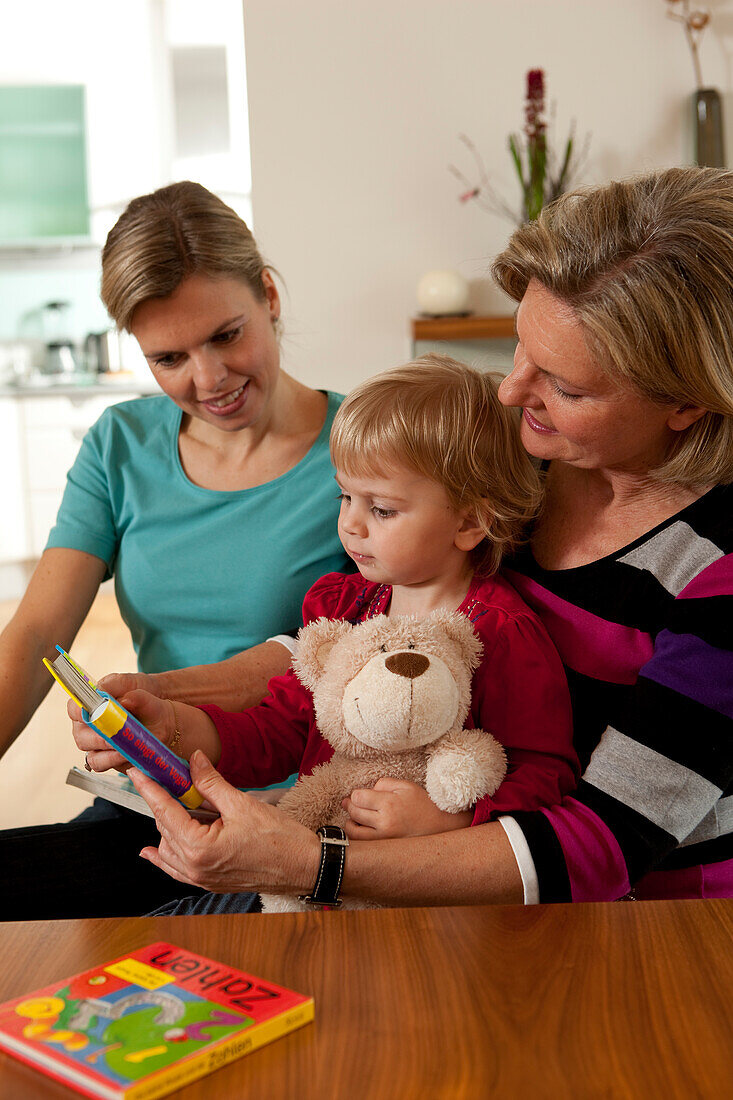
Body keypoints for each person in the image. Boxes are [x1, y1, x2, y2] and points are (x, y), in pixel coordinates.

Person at [106, 166, 732, 909]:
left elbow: (601, 850)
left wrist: (314, 864)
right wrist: (176, 708)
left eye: (565, 386)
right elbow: (347, 638)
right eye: (518, 347)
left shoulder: (712, 572)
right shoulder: (513, 460)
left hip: (637, 931)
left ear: (688, 402)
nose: (509, 390)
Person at [74, 355, 579, 914]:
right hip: (316, 875)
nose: (351, 525)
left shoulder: (501, 633)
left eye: (382, 509)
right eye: (345, 497)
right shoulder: (351, 607)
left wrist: (450, 817)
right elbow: (285, 726)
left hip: (421, 904)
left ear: (469, 523)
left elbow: (547, 776)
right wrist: (177, 729)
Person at [0, 181, 348, 918]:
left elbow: (339, 654)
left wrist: (173, 699)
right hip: (152, 798)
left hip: (293, 810)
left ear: (269, 295)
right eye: (168, 357)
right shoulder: (120, 446)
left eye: (226, 335)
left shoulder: (364, 452)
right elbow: (35, 634)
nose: (209, 380)